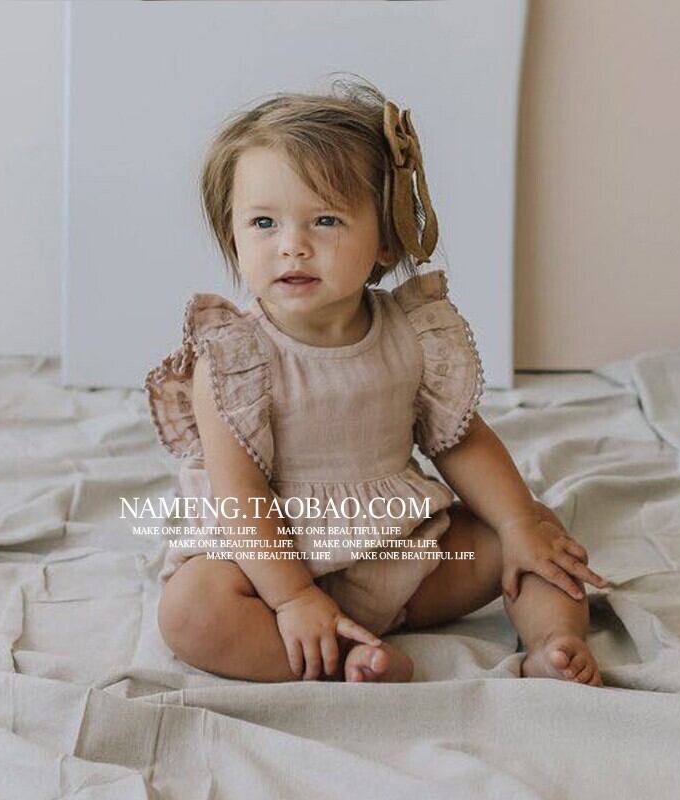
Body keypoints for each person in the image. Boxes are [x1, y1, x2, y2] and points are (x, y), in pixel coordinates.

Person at [145, 77, 608, 685]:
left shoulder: (413, 335)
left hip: (402, 554)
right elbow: (241, 499)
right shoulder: (233, 359)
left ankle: (553, 643)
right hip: (268, 565)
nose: (292, 246)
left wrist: (517, 523)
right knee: (191, 612)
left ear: (387, 238)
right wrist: (293, 598)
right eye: (263, 223)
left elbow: (460, 441)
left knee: (535, 531)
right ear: (231, 234)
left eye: (325, 220)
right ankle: (344, 660)